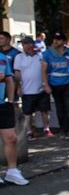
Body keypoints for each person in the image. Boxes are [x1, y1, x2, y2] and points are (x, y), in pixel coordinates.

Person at [41, 32, 69, 140]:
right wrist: (46, 85)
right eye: (54, 39)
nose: (55, 41)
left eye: (58, 39)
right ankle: (63, 130)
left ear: (64, 41)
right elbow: (43, 70)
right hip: (54, 84)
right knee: (59, 108)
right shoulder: (47, 53)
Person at [13, 37, 53, 140]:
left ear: (33, 44)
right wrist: (18, 87)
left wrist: (46, 84)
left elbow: (46, 71)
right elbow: (17, 73)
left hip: (41, 88)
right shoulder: (19, 57)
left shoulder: (41, 56)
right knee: (27, 112)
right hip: (27, 90)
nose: (27, 45)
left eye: (29, 43)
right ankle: (29, 131)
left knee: (45, 110)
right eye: (24, 44)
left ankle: (46, 129)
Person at [0, 49, 29, 185]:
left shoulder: (2, 58)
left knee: (11, 138)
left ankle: (12, 171)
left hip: (2, 105)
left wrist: (10, 100)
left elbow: (9, 79)